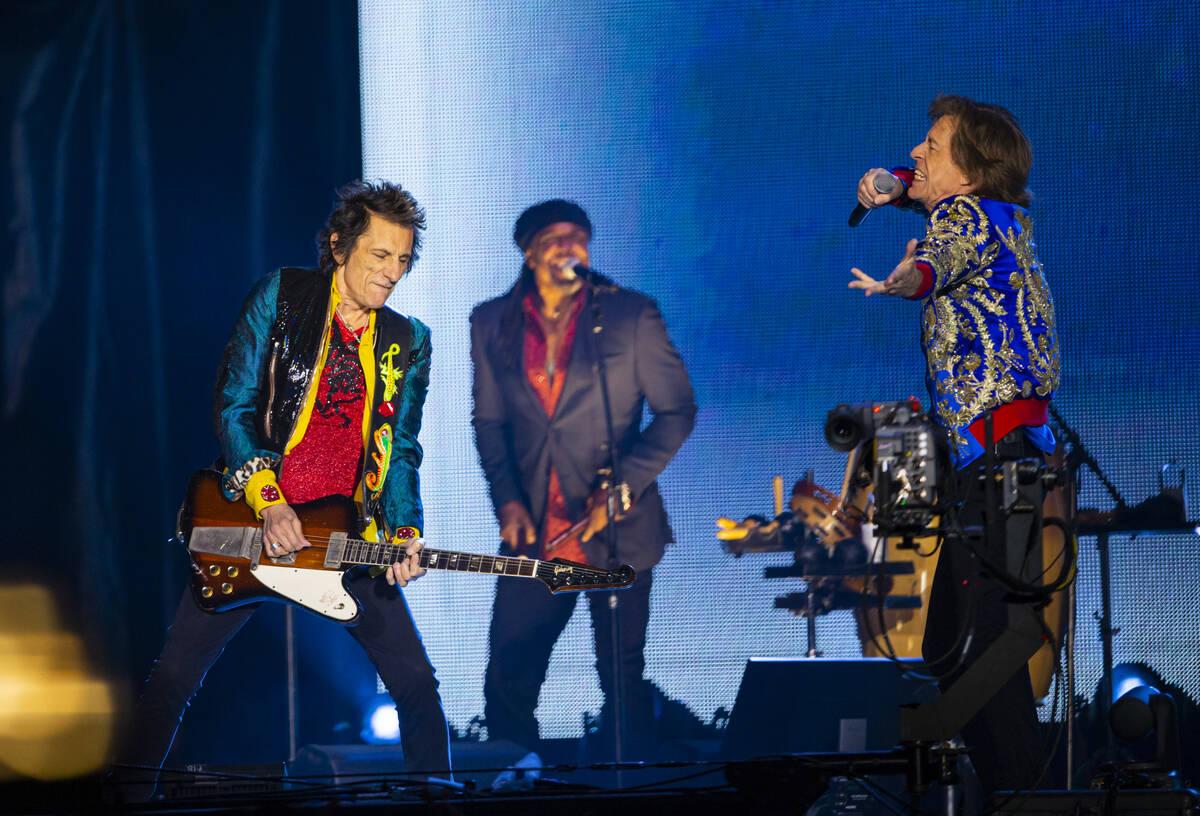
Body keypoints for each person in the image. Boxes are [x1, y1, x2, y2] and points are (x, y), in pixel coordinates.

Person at [118, 181, 450, 797]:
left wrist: (405, 533)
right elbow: (235, 405)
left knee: (417, 689)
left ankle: (434, 803)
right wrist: (269, 503)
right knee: (172, 681)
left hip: (346, 540)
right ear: (339, 245)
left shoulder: (409, 342)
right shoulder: (284, 295)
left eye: (403, 259)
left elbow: (400, 450)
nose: (393, 273)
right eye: (380, 255)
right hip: (251, 527)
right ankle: (125, 802)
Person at [848, 95, 1061, 797]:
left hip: (997, 462)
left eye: (933, 145)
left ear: (968, 174)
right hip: (1011, 458)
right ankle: (1017, 791)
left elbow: (934, 265)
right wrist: (897, 186)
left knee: (966, 648)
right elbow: (936, 206)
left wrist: (897, 281)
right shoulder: (999, 217)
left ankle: (1018, 796)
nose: (917, 151)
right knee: (969, 646)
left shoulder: (964, 219)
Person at [470, 200, 696, 763]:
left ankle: (632, 782)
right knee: (510, 670)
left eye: (580, 236)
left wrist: (623, 485)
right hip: (538, 531)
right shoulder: (491, 322)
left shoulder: (630, 315)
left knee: (620, 674)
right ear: (528, 249)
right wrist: (508, 503)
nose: (570, 246)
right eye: (555, 236)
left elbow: (677, 411)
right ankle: (512, 784)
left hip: (616, 527)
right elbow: (490, 422)